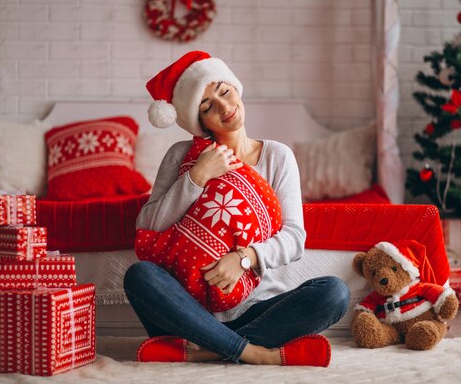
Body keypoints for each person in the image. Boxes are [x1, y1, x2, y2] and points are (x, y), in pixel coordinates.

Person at [123, 51, 350, 367]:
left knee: (334, 293)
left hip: (258, 309)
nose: (225, 108)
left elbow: (295, 237)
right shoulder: (182, 156)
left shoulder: (277, 156)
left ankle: (211, 348)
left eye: (224, 92)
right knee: (139, 276)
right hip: (188, 308)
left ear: (235, 88)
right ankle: (252, 352)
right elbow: (149, 224)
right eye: (208, 107)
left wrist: (245, 259)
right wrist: (196, 176)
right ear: (199, 121)